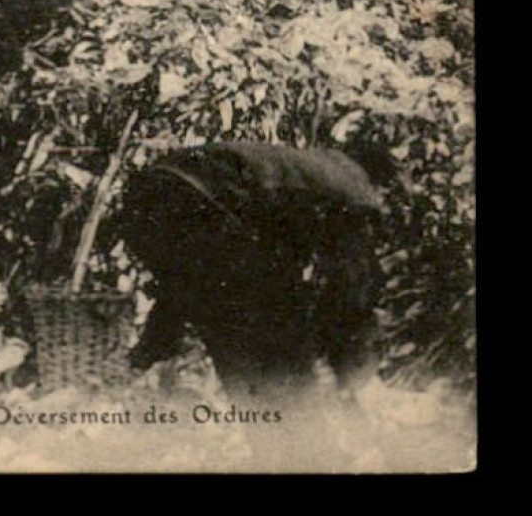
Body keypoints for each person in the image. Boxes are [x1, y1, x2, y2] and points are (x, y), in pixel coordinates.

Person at [118, 142, 389, 399]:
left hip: (145, 195)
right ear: (379, 181)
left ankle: (133, 368)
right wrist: (346, 363)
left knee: (223, 318)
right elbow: (353, 284)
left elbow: (185, 279)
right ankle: (295, 428)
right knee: (276, 336)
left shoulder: (303, 168)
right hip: (202, 201)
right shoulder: (354, 186)